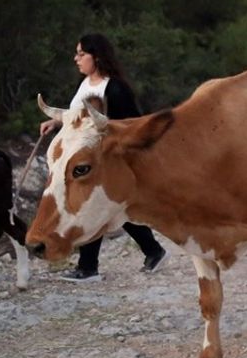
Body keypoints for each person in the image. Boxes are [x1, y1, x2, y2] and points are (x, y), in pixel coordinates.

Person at [39, 33, 168, 281]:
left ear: (96, 57)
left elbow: (132, 123)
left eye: (81, 54)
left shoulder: (115, 88)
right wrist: (55, 121)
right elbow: (79, 117)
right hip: (89, 161)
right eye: (77, 53)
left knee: (98, 207)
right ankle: (153, 251)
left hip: (109, 161)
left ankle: (88, 268)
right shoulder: (86, 84)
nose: (76, 58)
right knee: (112, 210)